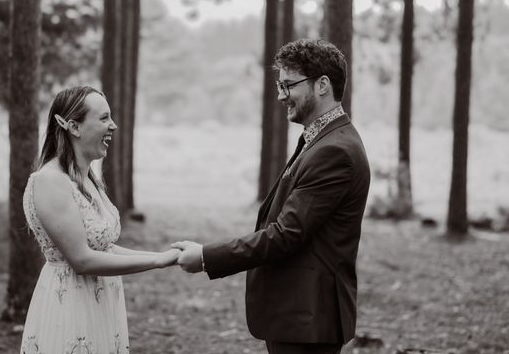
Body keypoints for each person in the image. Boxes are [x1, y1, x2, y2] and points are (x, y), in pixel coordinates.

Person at [173, 39, 371, 354]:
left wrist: (206, 257)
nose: (281, 96)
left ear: (322, 85)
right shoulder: (323, 139)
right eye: (280, 86)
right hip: (299, 315)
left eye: (288, 85)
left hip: (308, 319)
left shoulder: (334, 150)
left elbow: (284, 235)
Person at [20, 86, 179, 354]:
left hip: (101, 302)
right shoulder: (50, 181)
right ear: (74, 127)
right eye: (104, 118)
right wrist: (156, 261)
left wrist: (163, 256)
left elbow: (103, 248)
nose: (113, 126)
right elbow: (82, 259)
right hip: (69, 305)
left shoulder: (88, 179)